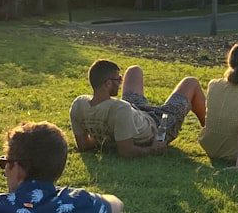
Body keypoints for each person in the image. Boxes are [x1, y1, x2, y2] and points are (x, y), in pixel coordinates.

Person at [69, 59, 206, 158]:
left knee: (134, 70)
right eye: (118, 80)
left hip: (133, 113)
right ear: (108, 83)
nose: (121, 82)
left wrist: (104, 139)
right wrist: (152, 150)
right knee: (190, 82)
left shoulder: (78, 105)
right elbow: (126, 151)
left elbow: (83, 145)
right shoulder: (120, 109)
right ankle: (209, 130)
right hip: (158, 124)